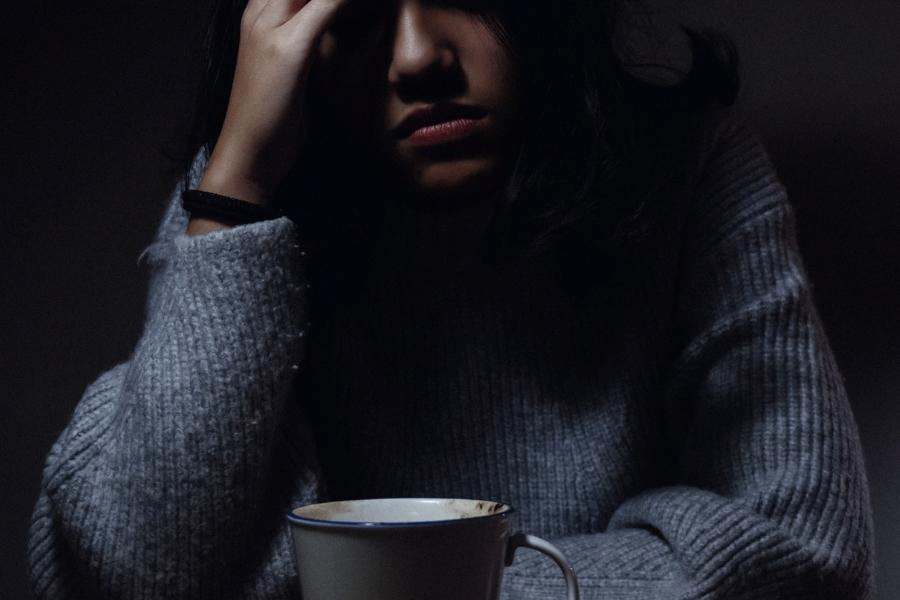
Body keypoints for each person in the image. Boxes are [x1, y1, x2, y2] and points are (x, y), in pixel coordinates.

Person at [27, 0, 875, 598]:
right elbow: (142, 570)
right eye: (352, 18)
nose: (417, 57)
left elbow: (806, 554)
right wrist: (236, 186)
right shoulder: (245, 208)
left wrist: (404, 583)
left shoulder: (688, 171)